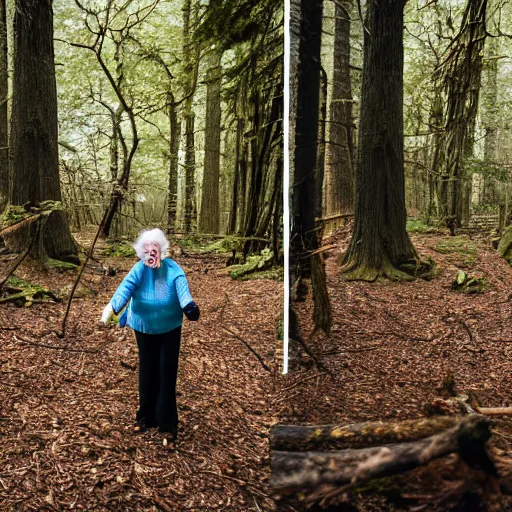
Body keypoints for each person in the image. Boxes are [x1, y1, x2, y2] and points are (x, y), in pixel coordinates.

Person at [101, 228, 199, 446]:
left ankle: (167, 422)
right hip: (142, 325)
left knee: (167, 370)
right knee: (147, 368)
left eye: (154, 250)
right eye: (147, 251)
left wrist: (189, 306)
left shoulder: (173, 269)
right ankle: (145, 416)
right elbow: (126, 287)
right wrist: (113, 307)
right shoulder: (139, 270)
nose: (151, 255)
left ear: (161, 250)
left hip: (169, 326)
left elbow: (182, 289)